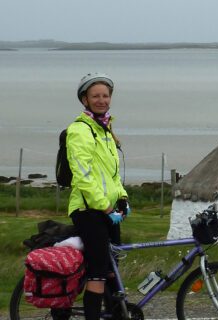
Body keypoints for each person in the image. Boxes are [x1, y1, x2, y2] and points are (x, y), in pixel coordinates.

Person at [67, 73, 131, 320]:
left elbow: (111, 175)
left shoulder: (105, 130)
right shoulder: (80, 130)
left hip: (109, 209)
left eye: (105, 95)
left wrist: (123, 198)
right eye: (95, 96)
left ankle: (118, 315)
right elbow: (83, 177)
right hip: (88, 211)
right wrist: (105, 208)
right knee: (98, 272)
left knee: (112, 269)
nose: (101, 100)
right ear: (85, 99)